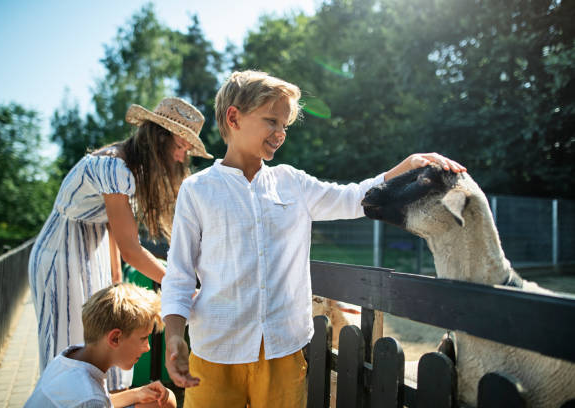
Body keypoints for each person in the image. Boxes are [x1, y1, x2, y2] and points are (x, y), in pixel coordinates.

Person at [161, 70, 467, 407]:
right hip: (215, 350)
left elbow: (353, 198)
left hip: (284, 349)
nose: (280, 134)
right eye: (271, 121)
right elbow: (179, 275)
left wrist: (405, 166)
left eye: (285, 126)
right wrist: (175, 335)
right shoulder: (197, 190)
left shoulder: (291, 182)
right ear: (234, 117)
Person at [28, 97, 212, 391]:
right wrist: (181, 285)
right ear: (159, 139)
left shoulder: (127, 167)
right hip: (62, 254)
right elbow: (131, 248)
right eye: (180, 146)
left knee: (100, 339)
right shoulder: (114, 167)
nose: (181, 158)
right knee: (67, 344)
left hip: (92, 250)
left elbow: (112, 231)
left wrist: (115, 279)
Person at [25, 283, 177, 408]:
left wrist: (137, 393)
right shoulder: (90, 399)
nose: (147, 347)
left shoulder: (70, 356)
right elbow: (90, 400)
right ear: (115, 339)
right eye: (143, 338)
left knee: (164, 399)